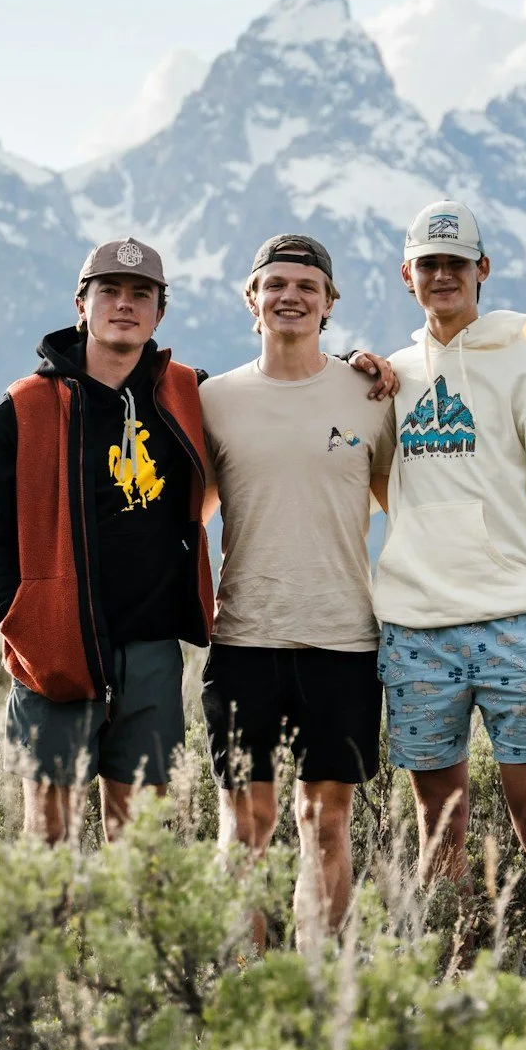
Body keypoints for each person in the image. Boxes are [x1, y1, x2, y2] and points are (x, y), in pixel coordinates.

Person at [373, 199, 526, 951]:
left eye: (456, 264)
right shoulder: (389, 378)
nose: (442, 276)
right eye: (428, 264)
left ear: (481, 271)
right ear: (408, 275)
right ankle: (456, 986)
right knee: (440, 835)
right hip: (416, 635)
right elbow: (377, 481)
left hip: (514, 630)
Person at [0, 238, 213, 842]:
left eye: (140, 294)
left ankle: (126, 940)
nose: (125, 305)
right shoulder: (26, 407)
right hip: (56, 652)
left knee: (142, 844)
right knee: (49, 841)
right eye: (110, 292)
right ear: (82, 303)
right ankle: (54, 942)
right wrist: (28, 619)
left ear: (159, 312)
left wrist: (360, 364)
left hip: (150, 651)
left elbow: (276, 386)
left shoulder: (184, 394)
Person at [198, 234, 396, 946]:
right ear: (250, 300)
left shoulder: (370, 395)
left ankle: (322, 988)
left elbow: (394, 503)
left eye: (306, 286)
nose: (290, 295)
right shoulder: (211, 400)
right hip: (241, 640)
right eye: (275, 283)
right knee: (243, 823)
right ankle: (243, 983)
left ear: (329, 304)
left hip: (341, 640)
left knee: (326, 822)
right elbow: (187, 517)